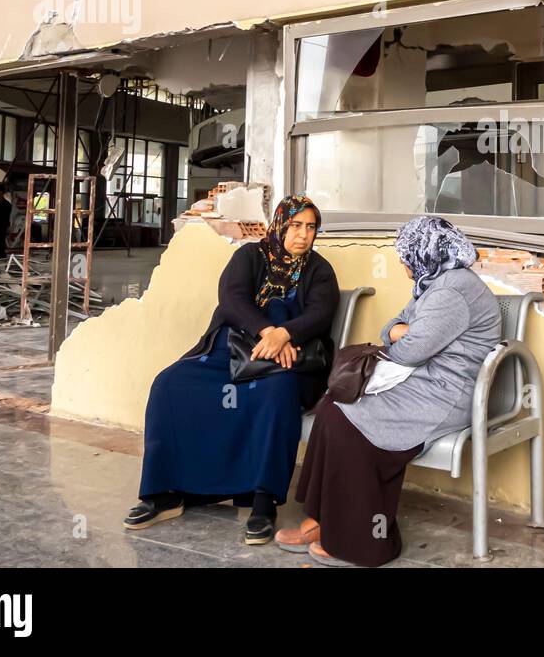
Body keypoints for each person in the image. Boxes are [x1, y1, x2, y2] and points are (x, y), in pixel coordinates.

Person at [277, 215, 501, 567]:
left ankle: (360, 542)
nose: (402, 264)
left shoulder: (452, 291)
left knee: (348, 420)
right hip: (421, 382)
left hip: (444, 395)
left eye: (404, 256)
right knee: (334, 402)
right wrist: (402, 331)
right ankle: (322, 521)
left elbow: (409, 349)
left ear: (423, 252)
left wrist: (402, 334)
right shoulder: (435, 281)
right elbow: (391, 328)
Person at [123, 195, 339, 544]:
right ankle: (165, 493)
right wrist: (266, 331)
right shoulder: (249, 256)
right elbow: (232, 299)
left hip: (287, 361)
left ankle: (262, 500)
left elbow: (321, 312)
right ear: (281, 224)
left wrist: (284, 334)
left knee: (276, 395)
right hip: (233, 349)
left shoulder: (319, 270)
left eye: (311, 227)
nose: (303, 235)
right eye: (296, 225)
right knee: (170, 385)